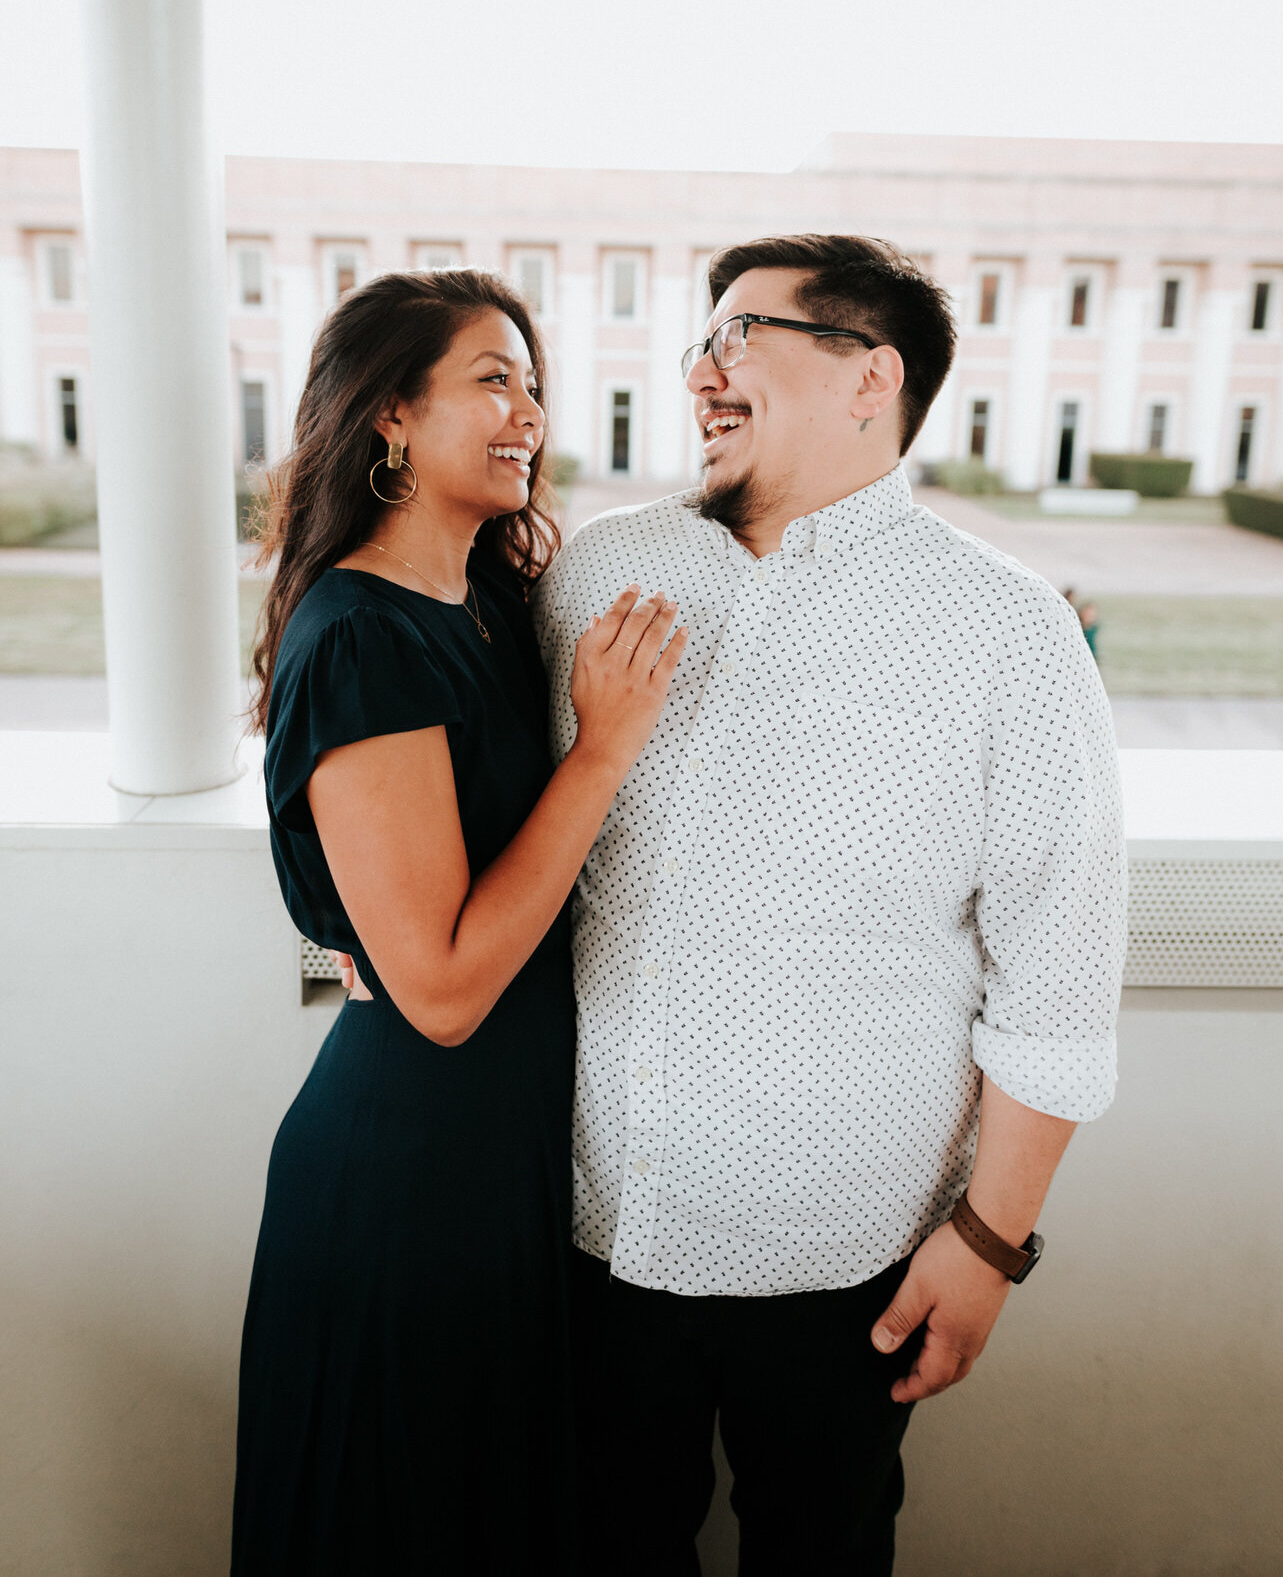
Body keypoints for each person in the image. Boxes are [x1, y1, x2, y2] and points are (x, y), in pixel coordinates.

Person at [531, 234, 1127, 1575]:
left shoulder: (1006, 631)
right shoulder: (592, 575)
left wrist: (988, 1243)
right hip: (587, 1226)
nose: (702, 367)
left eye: (741, 334)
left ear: (873, 377)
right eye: (701, 340)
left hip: (848, 1251)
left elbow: (1061, 967)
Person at [231, 268, 687, 1576]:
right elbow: (434, 988)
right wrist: (600, 756)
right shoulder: (363, 637)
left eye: (533, 382)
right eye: (494, 378)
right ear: (388, 415)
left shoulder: (486, 606)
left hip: (499, 1159)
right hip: (409, 1179)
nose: (530, 411)